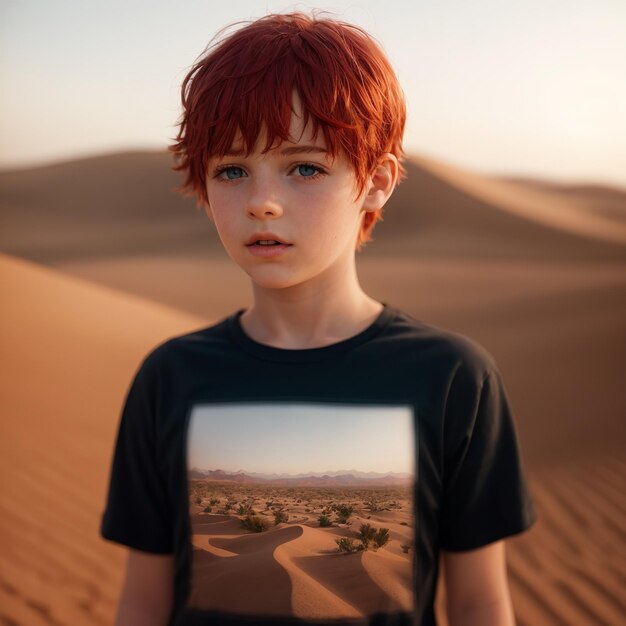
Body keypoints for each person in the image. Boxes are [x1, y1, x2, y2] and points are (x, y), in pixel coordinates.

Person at [100, 11, 536, 626]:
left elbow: (479, 603)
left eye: (305, 167)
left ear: (377, 181)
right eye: (231, 170)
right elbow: (143, 602)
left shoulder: (453, 376)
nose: (262, 202)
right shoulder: (170, 375)